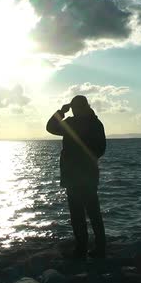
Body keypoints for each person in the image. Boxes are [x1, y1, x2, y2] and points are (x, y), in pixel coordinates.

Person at [46, 95, 106, 259]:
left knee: (92, 213)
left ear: (85, 107)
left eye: (77, 108)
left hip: (85, 176)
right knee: (78, 215)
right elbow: (50, 128)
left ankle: (99, 248)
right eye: (74, 108)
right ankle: (82, 249)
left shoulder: (92, 124)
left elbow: (101, 149)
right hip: (74, 176)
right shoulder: (73, 123)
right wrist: (61, 112)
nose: (75, 111)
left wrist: (83, 159)